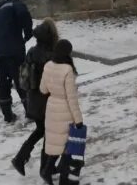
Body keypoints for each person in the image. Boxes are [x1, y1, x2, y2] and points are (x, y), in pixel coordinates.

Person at [11, 19, 59, 175]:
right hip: (46, 101)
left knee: (41, 130)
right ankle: (45, 168)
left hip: (33, 100)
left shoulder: (32, 51)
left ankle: (21, 158)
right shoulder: (50, 55)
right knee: (49, 132)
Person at [39, 39, 83, 183]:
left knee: (57, 144)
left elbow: (43, 89)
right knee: (68, 147)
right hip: (65, 111)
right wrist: (78, 120)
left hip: (51, 109)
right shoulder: (67, 70)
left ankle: (47, 171)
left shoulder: (48, 66)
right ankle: (64, 180)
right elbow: (71, 98)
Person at [0, 0, 34, 124]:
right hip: (13, 51)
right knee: (21, 81)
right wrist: (27, 34)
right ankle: (31, 113)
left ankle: (7, 115)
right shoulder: (16, 4)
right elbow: (24, 15)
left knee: (4, 83)